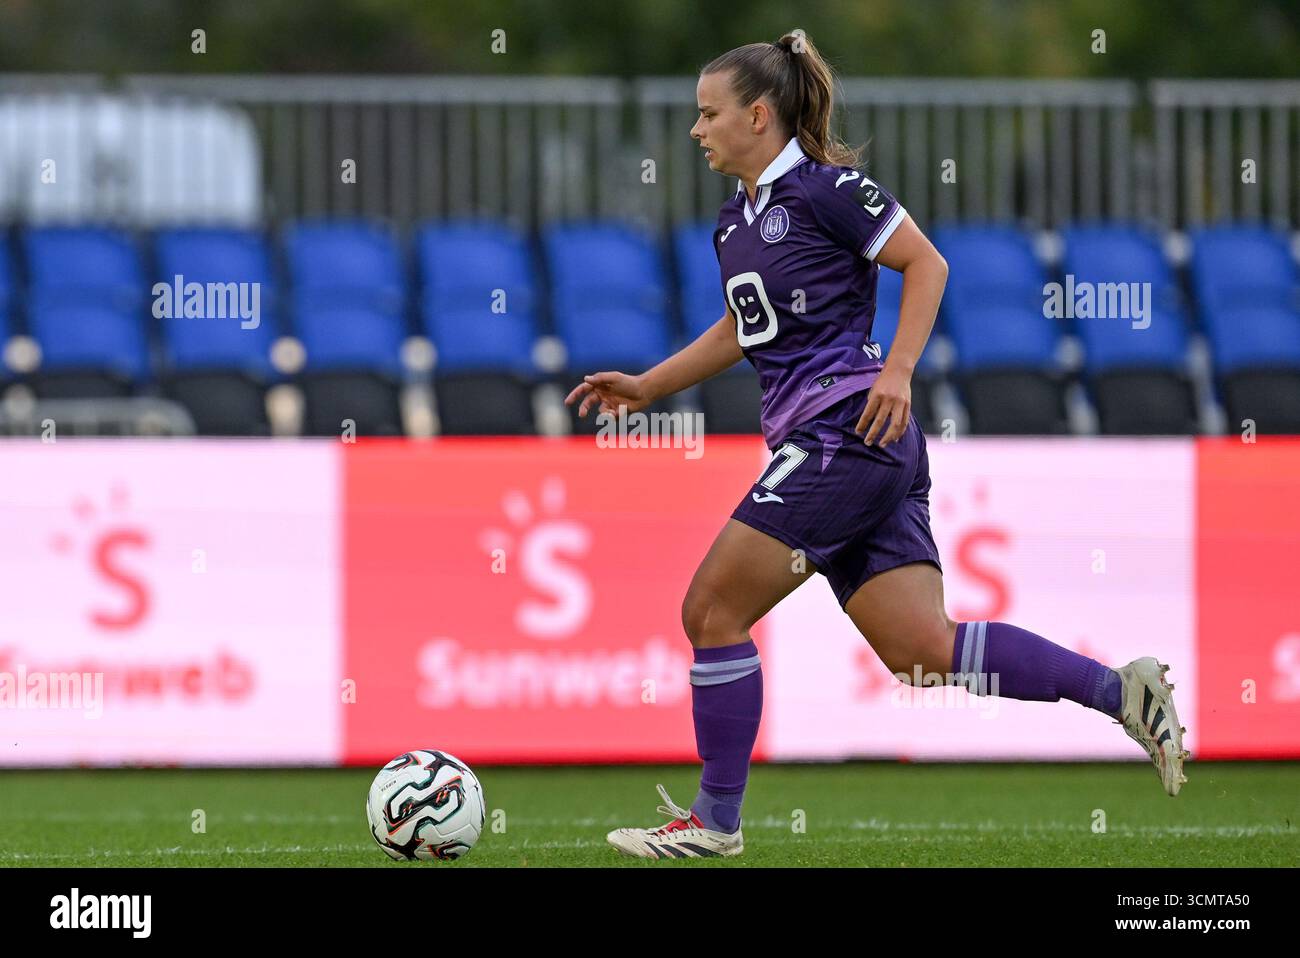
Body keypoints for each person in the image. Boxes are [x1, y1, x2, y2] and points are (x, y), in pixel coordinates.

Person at [565, 32, 1187, 860]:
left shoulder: (827, 191)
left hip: (846, 432)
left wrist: (897, 371)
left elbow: (925, 264)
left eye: (708, 114)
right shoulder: (733, 223)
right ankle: (1120, 691)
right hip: (858, 447)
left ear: (758, 115)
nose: (696, 130)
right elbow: (742, 330)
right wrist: (649, 386)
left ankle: (715, 824)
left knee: (711, 610)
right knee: (924, 652)